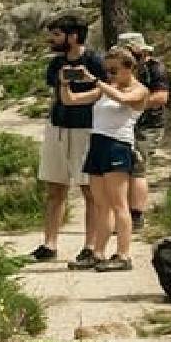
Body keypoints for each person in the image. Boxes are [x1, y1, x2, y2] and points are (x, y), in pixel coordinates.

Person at [59, 47, 149, 271]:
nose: (110, 74)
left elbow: (124, 99)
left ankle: (123, 254)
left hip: (117, 145)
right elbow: (71, 100)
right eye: (107, 70)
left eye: (114, 70)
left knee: (119, 204)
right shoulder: (107, 88)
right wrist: (64, 82)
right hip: (97, 144)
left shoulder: (140, 90)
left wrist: (96, 80)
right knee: (101, 205)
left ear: (130, 68)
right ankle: (98, 252)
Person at [30, 15, 107, 264]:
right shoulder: (56, 64)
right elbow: (56, 86)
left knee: (89, 190)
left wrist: (88, 83)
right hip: (58, 127)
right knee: (55, 187)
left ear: (73, 36)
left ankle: (90, 245)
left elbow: (105, 89)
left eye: (56, 34)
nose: (51, 40)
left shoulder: (95, 61)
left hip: (86, 129)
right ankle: (49, 243)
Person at [116, 32, 170, 231]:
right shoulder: (123, 69)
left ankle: (136, 215)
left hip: (147, 125)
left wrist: (131, 102)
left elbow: (161, 97)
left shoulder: (155, 69)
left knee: (137, 167)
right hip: (125, 124)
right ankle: (124, 214)